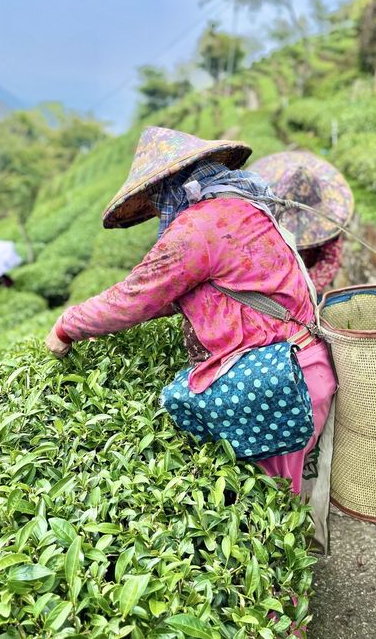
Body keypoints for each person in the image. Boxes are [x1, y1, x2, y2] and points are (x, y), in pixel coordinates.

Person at [45, 127, 337, 498]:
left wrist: (67, 326)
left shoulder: (197, 228)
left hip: (277, 385)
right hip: (303, 369)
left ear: (169, 186)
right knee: (287, 499)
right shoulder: (242, 206)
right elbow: (184, 292)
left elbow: (134, 297)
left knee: (269, 506)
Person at [251, 151, 354, 298]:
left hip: (309, 285)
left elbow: (331, 259)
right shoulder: (262, 217)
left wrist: (305, 286)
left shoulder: (327, 222)